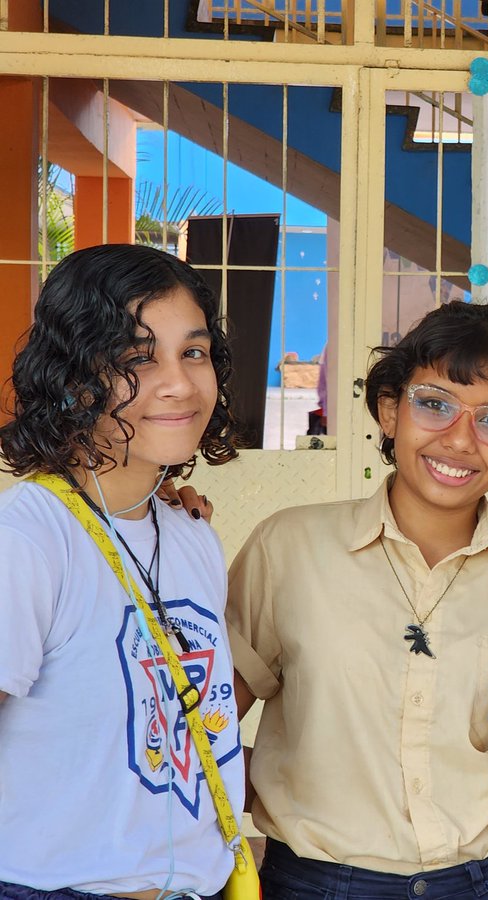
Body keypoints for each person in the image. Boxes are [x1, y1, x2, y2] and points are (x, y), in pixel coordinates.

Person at [227, 300, 488, 898]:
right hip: (315, 883)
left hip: (485, 882)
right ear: (389, 411)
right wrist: (277, 784)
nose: (460, 440)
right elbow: (202, 729)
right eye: (434, 405)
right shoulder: (290, 548)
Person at [0, 243, 244, 898]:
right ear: (73, 377)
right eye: (138, 357)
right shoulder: (26, 540)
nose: (177, 382)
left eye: (193, 352)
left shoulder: (191, 536)